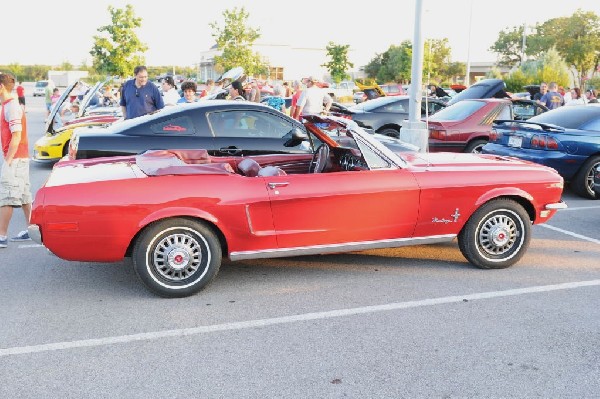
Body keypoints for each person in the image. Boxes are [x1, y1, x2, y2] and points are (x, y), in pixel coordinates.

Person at [0, 73, 32, 247]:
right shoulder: (10, 105)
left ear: (1, 87)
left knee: (7, 196)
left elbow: (16, 135)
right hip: (21, 157)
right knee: (24, 196)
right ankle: (31, 230)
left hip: (15, 158)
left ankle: (2, 236)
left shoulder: (11, 107)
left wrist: (8, 160)